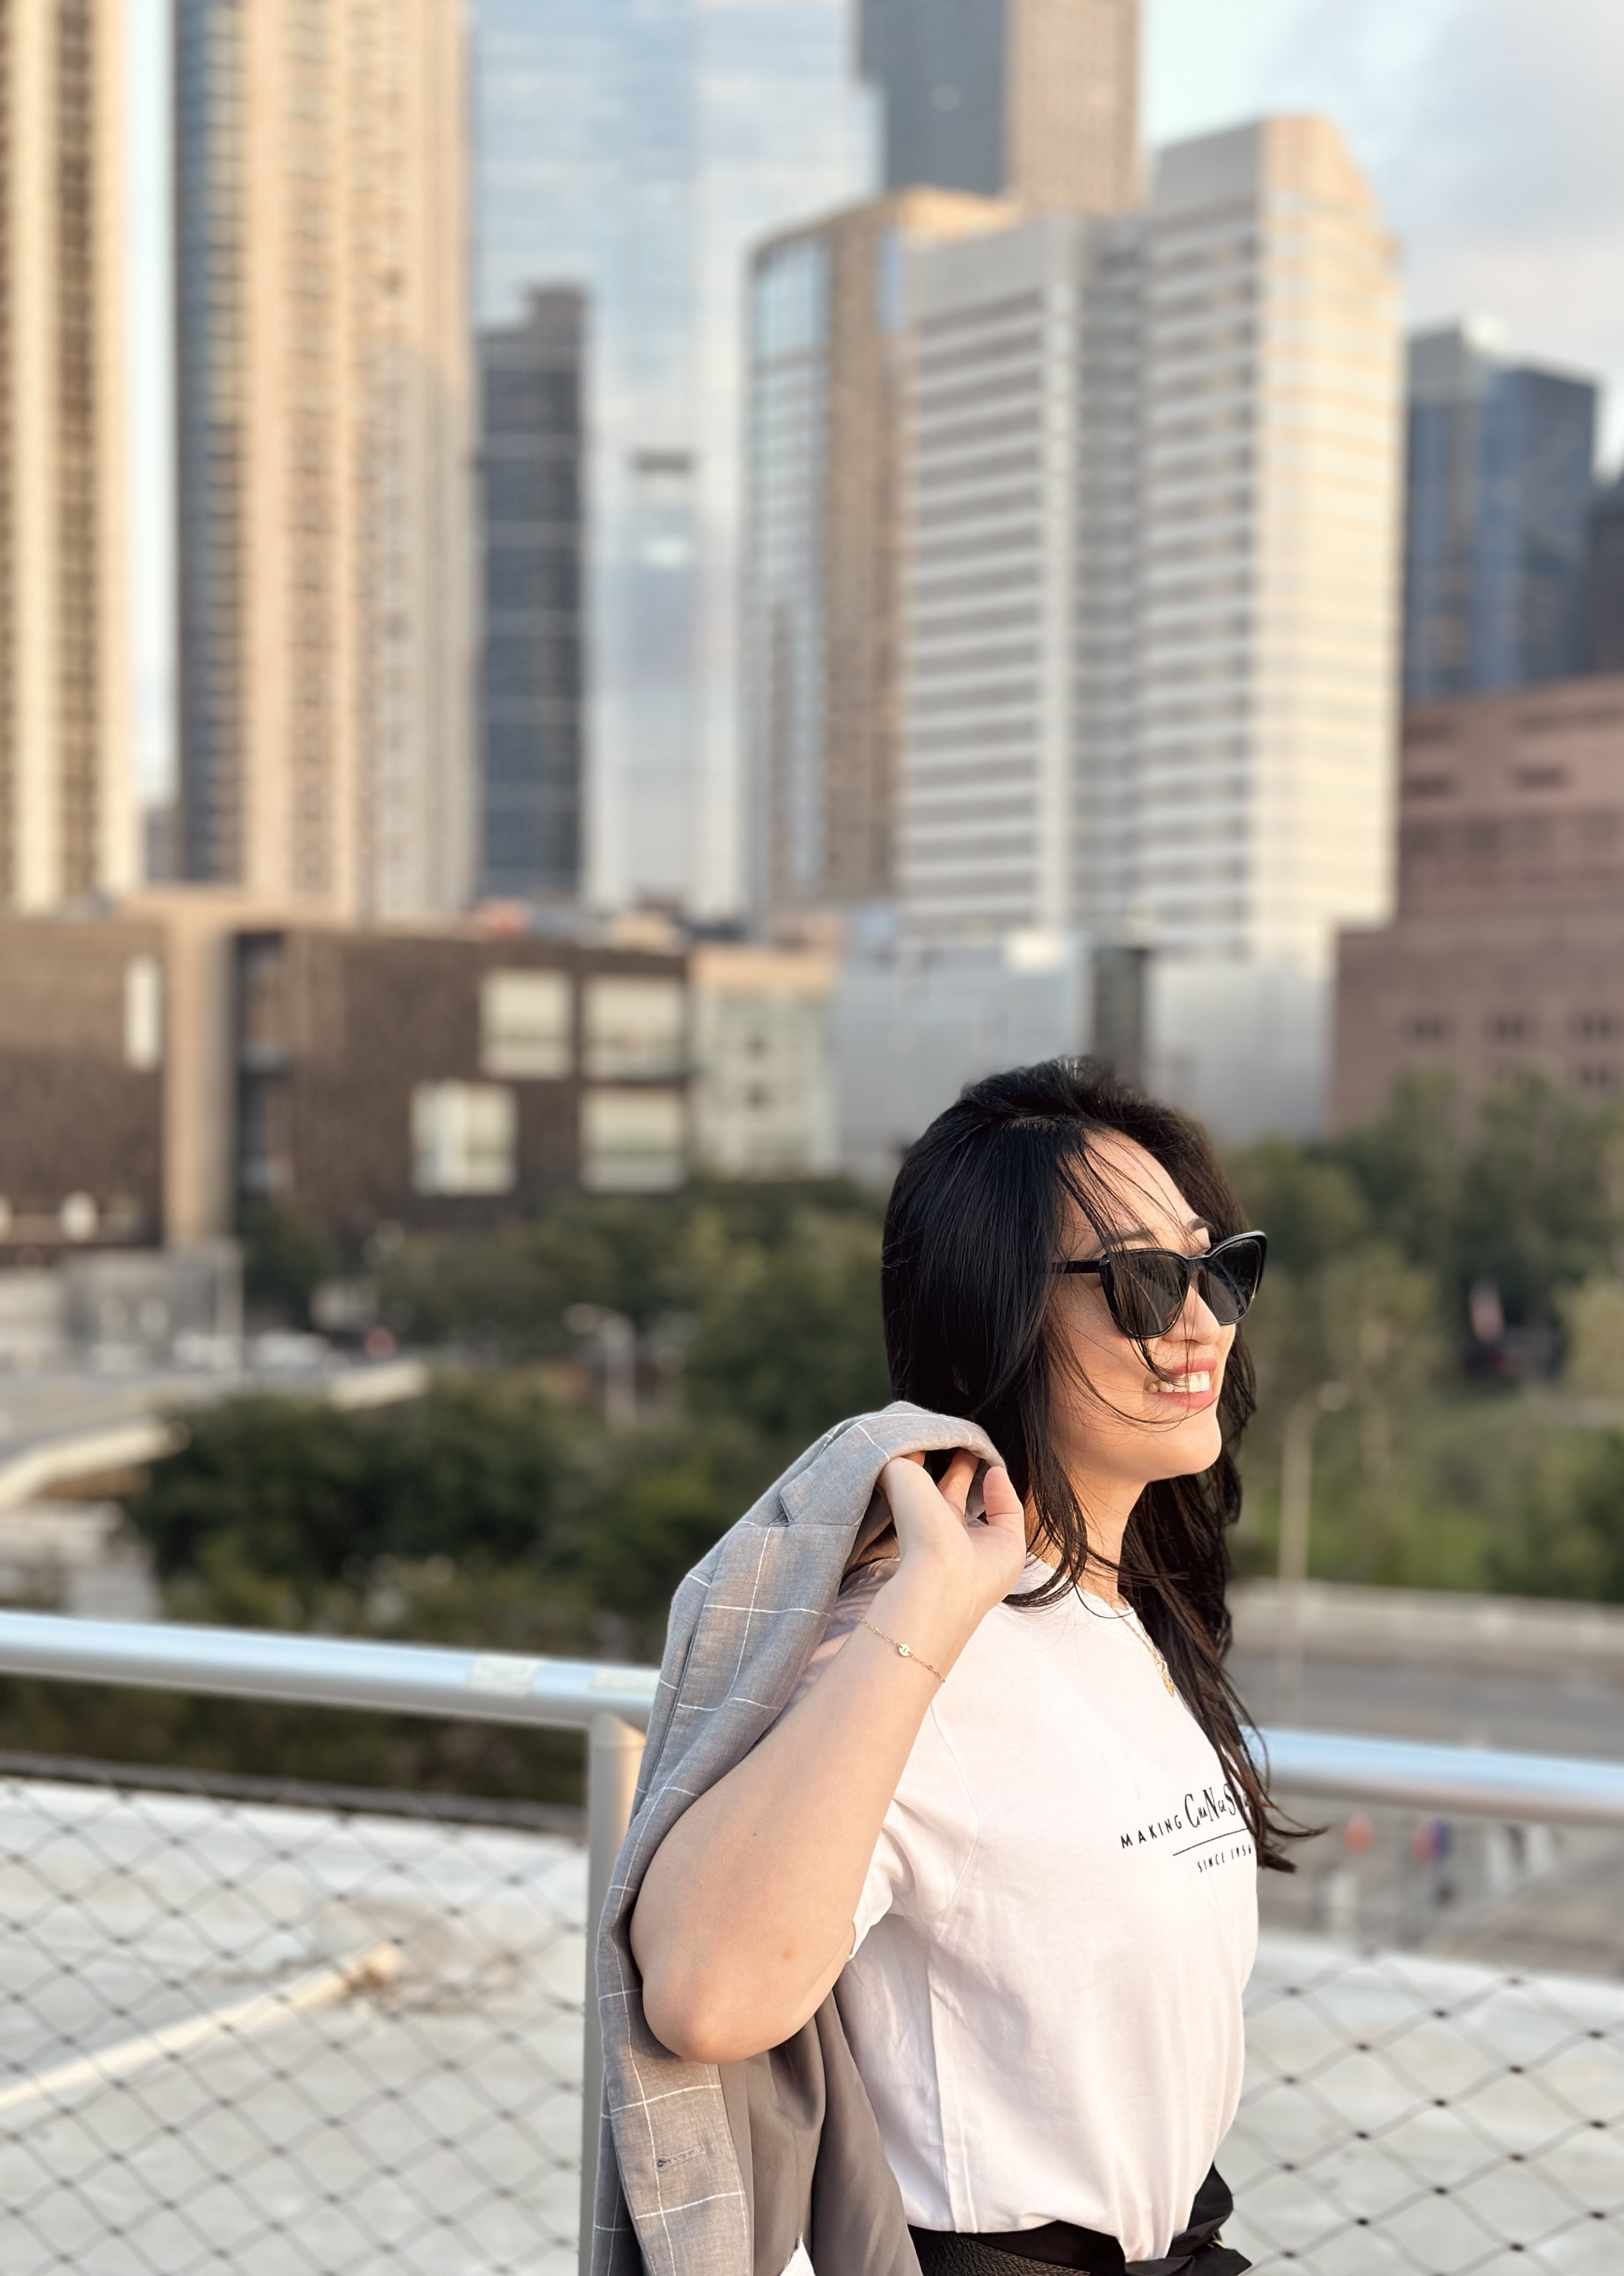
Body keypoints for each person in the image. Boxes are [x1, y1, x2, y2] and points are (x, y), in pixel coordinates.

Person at [626, 1060, 1293, 2275]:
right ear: (995, 1311)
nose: (1202, 1321)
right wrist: (923, 1612)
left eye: (1219, 1266)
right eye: (1146, 1282)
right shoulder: (913, 1641)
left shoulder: (1119, 1602)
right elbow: (704, 1992)